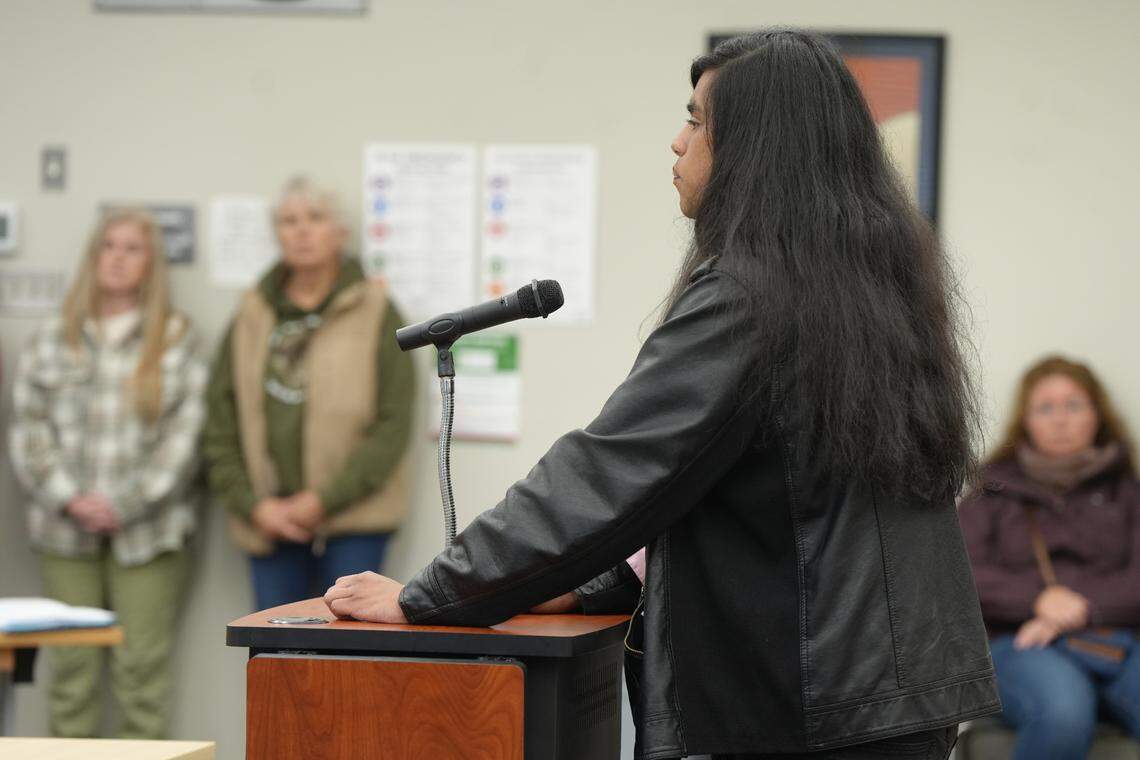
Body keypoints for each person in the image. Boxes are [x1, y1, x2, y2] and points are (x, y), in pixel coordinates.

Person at [323, 30, 999, 760]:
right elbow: (752, 495)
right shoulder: (871, 284)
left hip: (813, 706)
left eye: (697, 120)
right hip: (881, 698)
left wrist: (429, 593)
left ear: (755, 149)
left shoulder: (753, 294)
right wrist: (587, 588)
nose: (678, 143)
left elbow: (612, 470)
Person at [8, 208, 206, 739]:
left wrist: (124, 502)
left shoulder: (175, 338)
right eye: (108, 247)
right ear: (93, 257)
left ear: (151, 263)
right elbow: (29, 432)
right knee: (71, 675)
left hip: (148, 531)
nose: (117, 259)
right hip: (63, 529)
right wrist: (72, 499)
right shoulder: (54, 337)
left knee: (141, 672)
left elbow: (184, 439)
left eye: (132, 249)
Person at [203, 176, 414, 611]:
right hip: (269, 520)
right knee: (279, 660)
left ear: (339, 231)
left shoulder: (375, 310)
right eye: (288, 221)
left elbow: (394, 421)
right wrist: (253, 505)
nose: (301, 231)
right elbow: (219, 418)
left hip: (355, 518)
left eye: (315, 218)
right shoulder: (252, 312)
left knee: (349, 662)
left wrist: (323, 501)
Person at [959, 355, 1140, 760]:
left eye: (1073, 405)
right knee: (1063, 714)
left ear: (1097, 415)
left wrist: (1079, 606)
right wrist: (1037, 599)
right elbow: (958, 571)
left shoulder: (1128, 492)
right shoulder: (992, 493)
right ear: (1026, 420)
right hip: (1020, 645)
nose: (1060, 419)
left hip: (1119, 642)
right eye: (1046, 407)